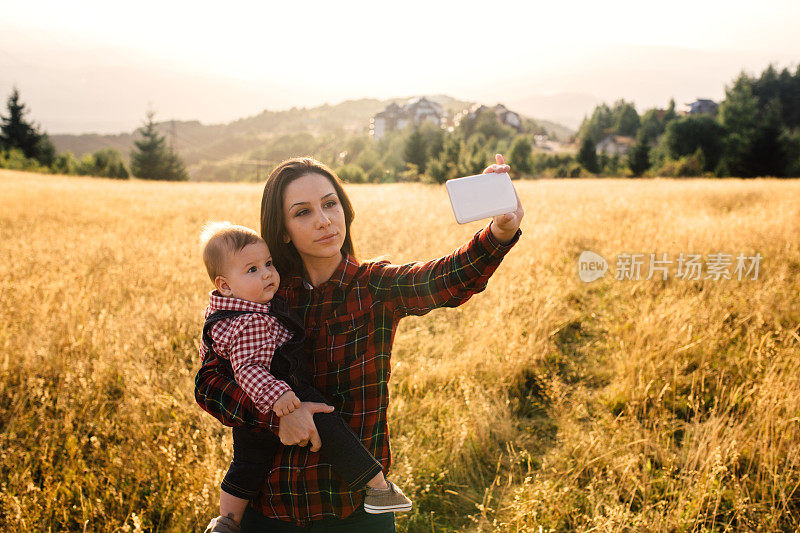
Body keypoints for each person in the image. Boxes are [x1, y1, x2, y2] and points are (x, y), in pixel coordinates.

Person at [195, 154, 524, 531]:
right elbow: (208, 385)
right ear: (282, 230)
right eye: (302, 212)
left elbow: (446, 278)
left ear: (344, 210)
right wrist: (276, 416)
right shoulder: (262, 296)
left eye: (330, 203)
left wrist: (499, 232)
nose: (323, 220)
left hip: (354, 510)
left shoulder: (374, 286)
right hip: (272, 507)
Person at [197, 222, 412, 533]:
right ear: (225, 285)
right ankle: (377, 487)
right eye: (253, 270)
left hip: (260, 406)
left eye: (268, 263)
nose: (268, 274)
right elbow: (247, 369)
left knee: (247, 464)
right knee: (329, 423)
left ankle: (227, 522)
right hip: (281, 391)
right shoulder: (251, 321)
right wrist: (279, 399)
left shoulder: (223, 311)